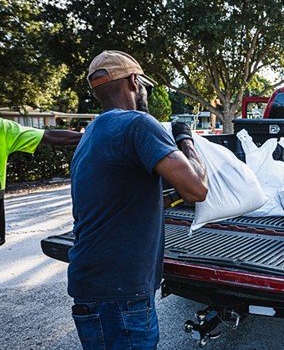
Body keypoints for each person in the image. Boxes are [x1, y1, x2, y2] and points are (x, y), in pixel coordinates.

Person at [68, 50, 208, 350]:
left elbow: (121, 193)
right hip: (121, 297)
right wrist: (186, 139)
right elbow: (197, 189)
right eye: (144, 84)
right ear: (134, 82)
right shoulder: (137, 124)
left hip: (93, 287)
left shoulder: (92, 132)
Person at [0, 118, 82, 246]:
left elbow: (47, 135)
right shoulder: (2, 127)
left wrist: (91, 135)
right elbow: (48, 136)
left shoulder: (2, 128)